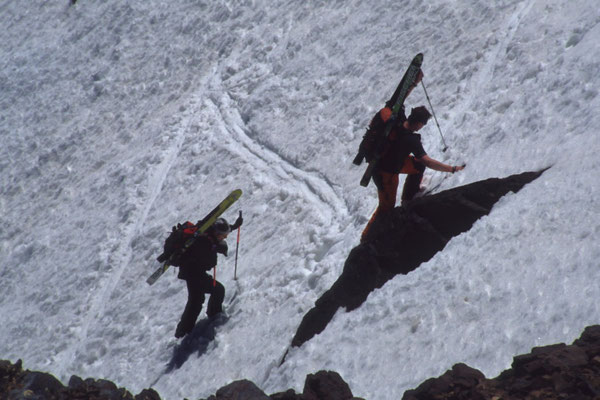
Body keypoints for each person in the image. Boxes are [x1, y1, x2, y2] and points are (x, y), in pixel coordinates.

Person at [360, 73, 465, 242]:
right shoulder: (411, 139)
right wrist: (452, 169)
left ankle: (409, 198)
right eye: (423, 124)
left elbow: (398, 98)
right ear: (418, 124)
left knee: (416, 166)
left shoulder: (397, 118)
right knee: (385, 208)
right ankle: (366, 239)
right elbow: (428, 161)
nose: (422, 127)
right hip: (386, 174)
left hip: (389, 162)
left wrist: (414, 83)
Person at [174, 216, 243, 338]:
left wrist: (234, 226)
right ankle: (187, 330)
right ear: (216, 233)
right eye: (224, 236)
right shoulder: (204, 242)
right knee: (202, 298)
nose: (225, 237)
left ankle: (183, 331)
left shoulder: (208, 233)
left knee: (199, 299)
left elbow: (220, 233)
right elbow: (209, 263)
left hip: (193, 272)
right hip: (193, 273)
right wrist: (216, 248)